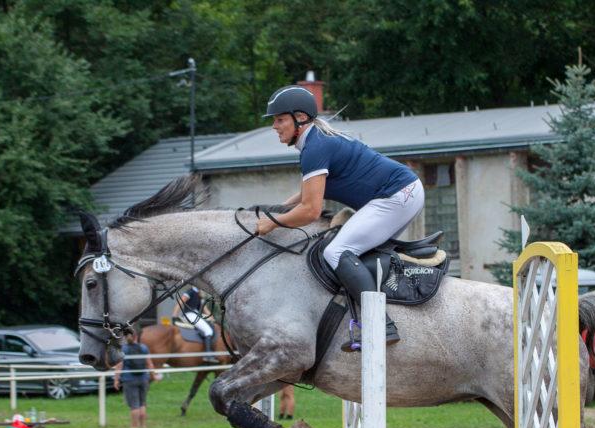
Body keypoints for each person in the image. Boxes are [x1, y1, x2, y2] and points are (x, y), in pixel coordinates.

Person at [255, 85, 425, 352]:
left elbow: (311, 211)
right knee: (352, 253)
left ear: (300, 118)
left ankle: (381, 325)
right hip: (401, 193)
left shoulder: (315, 147)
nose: (274, 126)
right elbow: (305, 195)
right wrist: (277, 210)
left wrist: (272, 223)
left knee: (336, 251)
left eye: (279, 119)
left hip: (396, 195)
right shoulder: (315, 142)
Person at [114, 329, 157, 428]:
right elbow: (150, 364)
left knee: (134, 405)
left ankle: (134, 427)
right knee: (142, 403)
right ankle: (143, 425)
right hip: (143, 378)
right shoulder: (144, 347)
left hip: (129, 379)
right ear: (136, 337)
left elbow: (119, 366)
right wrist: (153, 376)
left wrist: (116, 379)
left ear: (125, 338)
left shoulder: (123, 349)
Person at [173, 285, 216, 362]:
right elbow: (180, 302)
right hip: (189, 314)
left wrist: (212, 318)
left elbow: (205, 309)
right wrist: (174, 315)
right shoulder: (190, 292)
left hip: (196, 314)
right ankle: (208, 355)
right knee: (208, 331)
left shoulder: (199, 293)